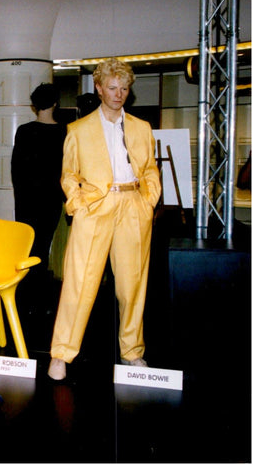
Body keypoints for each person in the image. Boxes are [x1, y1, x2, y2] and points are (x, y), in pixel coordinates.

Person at [48, 58, 161, 381]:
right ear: (98, 88)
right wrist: (79, 205)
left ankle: (133, 351)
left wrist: (148, 201)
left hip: (133, 205)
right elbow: (69, 175)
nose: (119, 93)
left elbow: (151, 169)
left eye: (124, 88)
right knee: (79, 283)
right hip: (95, 208)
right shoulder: (78, 130)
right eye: (112, 87)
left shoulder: (141, 128)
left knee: (132, 284)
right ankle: (61, 354)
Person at [11, 83, 67, 315]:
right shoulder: (65, 132)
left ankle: (26, 299)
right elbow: (67, 170)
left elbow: (16, 169)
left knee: (27, 248)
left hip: (27, 199)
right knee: (43, 248)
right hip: (52, 198)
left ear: (34, 105)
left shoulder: (24, 131)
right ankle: (43, 302)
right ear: (55, 103)